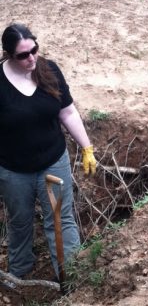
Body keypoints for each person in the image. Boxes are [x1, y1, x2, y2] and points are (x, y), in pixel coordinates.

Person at [0, 23, 96, 279]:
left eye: (34, 50)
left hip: (54, 161)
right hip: (13, 170)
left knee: (61, 220)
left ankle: (72, 278)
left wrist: (86, 147)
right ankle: (18, 278)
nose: (31, 58)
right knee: (20, 222)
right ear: (9, 54)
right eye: (23, 55)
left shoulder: (49, 69)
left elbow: (67, 111)